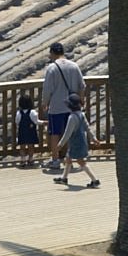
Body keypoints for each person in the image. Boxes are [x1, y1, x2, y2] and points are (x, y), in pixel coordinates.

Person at [40, 42, 85, 172]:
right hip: (72, 107)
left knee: (55, 134)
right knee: (71, 133)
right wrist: (81, 100)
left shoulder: (52, 68)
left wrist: (45, 103)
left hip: (57, 106)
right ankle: (70, 159)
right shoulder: (74, 66)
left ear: (52, 53)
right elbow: (82, 86)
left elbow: (47, 89)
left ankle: (55, 160)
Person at [53, 93, 100, 188]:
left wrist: (60, 144)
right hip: (82, 141)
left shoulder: (72, 118)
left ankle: (94, 180)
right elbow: (88, 128)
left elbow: (67, 133)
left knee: (81, 162)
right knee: (68, 159)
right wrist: (94, 138)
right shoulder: (82, 115)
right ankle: (64, 178)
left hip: (75, 143)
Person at [14, 93, 40, 167]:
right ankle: (30, 159)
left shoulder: (19, 113)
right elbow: (36, 121)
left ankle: (22, 160)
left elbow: (17, 121)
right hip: (31, 132)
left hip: (22, 132)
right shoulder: (33, 112)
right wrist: (44, 122)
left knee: (22, 147)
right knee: (31, 146)